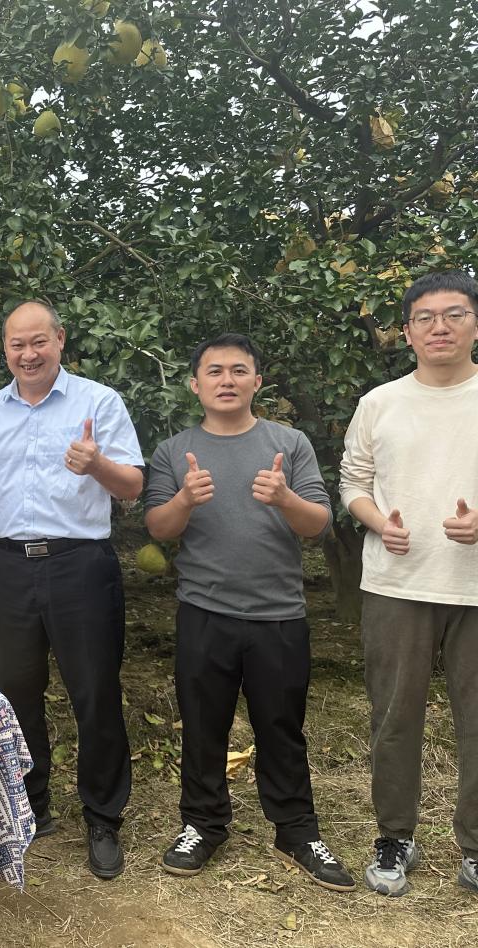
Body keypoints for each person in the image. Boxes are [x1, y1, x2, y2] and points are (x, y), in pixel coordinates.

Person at [144, 333, 355, 891]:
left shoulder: (289, 443)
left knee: (281, 727)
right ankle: (203, 824)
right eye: (214, 371)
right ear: (195, 385)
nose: (227, 380)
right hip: (204, 611)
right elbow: (158, 528)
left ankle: (296, 829)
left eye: (239, 370)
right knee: (203, 726)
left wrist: (285, 498)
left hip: (278, 614)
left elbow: (318, 525)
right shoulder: (174, 450)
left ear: (257, 382)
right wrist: (184, 499)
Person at [0, 300, 142, 880]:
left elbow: (132, 485)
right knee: (17, 692)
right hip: (9, 566)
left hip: (80, 564)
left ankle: (103, 817)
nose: (29, 354)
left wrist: (96, 466)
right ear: (5, 349)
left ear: (60, 340)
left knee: (95, 691)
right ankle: (30, 804)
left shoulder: (98, 401)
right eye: (17, 344)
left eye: (39, 341)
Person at [339, 269, 478, 898]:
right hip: (397, 584)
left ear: (474, 324)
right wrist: (378, 524)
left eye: (453, 314)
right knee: (395, 719)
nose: (439, 326)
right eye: (425, 317)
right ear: (408, 331)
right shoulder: (381, 402)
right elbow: (353, 483)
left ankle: (475, 845)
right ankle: (394, 836)